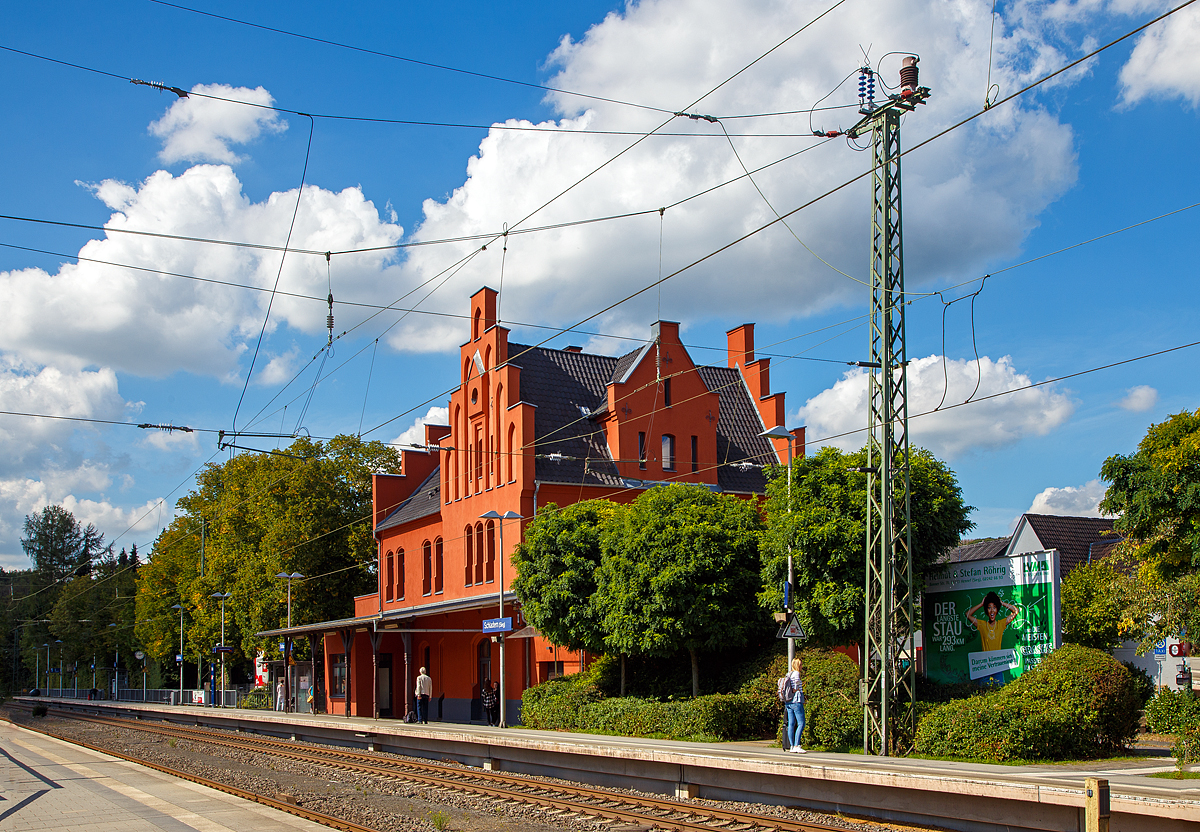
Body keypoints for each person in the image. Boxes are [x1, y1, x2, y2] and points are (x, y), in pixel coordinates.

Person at [966, 591, 1020, 685]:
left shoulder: (1001, 624)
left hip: (997, 664)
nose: (992, 611)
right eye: (989, 607)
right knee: (984, 691)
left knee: (1000, 689)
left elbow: (1015, 611)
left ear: (997, 609)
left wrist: (1001, 603)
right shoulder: (982, 625)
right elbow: (968, 614)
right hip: (984, 665)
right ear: (986, 610)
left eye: (994, 607)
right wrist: (981, 604)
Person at [782, 657, 806, 754]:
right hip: (796, 700)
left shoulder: (789, 673)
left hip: (789, 702)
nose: (801, 666)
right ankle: (797, 745)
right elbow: (795, 687)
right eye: (800, 664)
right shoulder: (796, 673)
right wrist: (796, 690)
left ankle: (792, 746)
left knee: (791, 723)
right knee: (801, 723)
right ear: (797, 665)